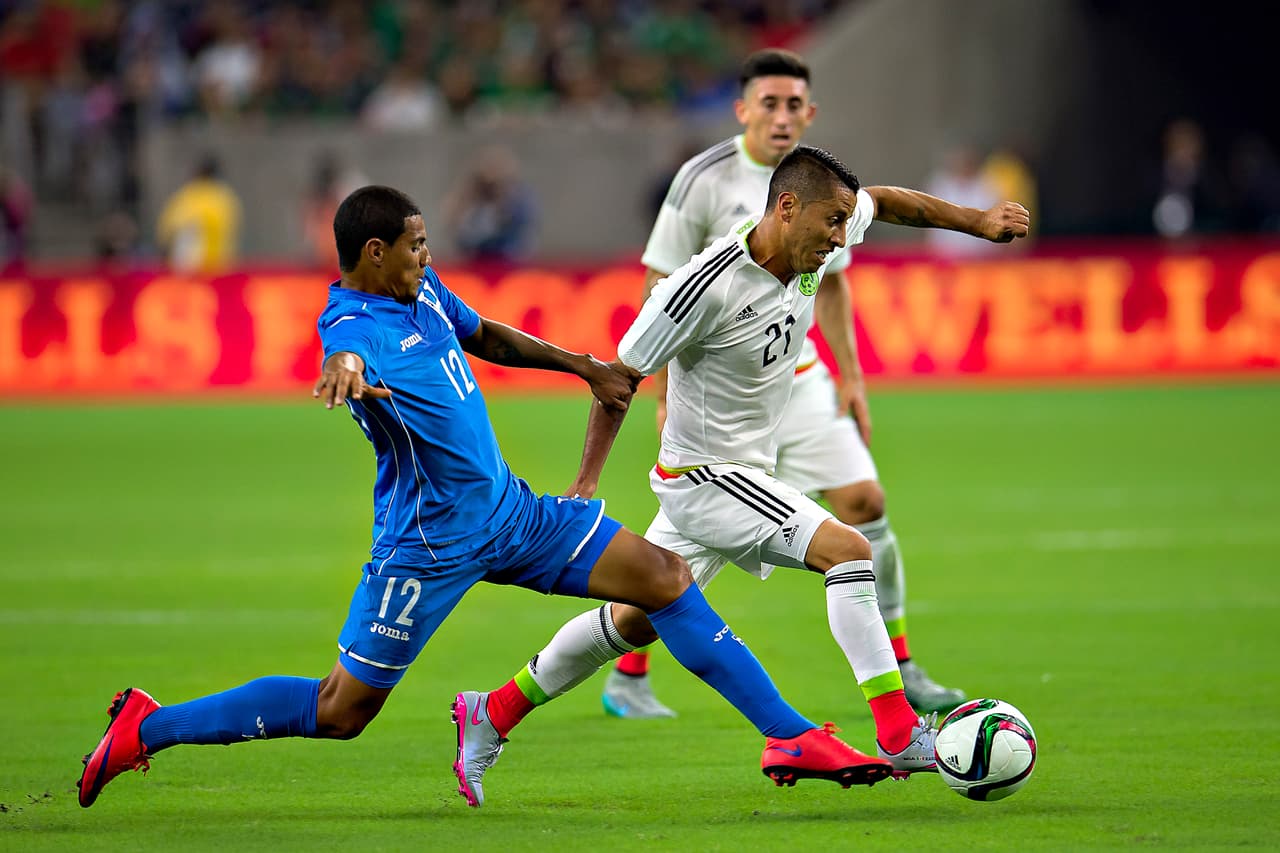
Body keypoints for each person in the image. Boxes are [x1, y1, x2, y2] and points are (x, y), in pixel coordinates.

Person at [76, 184, 896, 811]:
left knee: (665, 578)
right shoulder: (354, 325)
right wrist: (345, 373)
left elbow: (488, 335)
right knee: (341, 710)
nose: (427, 256)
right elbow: (347, 355)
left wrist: (581, 365)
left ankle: (789, 735)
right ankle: (147, 726)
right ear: (373, 253)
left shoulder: (423, 292)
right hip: (426, 547)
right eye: (415, 246)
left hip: (511, 515)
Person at [455, 146, 1029, 804]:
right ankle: (899, 731)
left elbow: (892, 201)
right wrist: (585, 485)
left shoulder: (818, 240)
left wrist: (977, 222)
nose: (840, 238)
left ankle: (492, 710)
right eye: (831, 222)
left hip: (740, 473)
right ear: (786, 208)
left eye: (845, 223)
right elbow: (618, 379)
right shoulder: (703, 286)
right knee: (848, 550)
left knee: (634, 620)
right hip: (704, 476)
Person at [603, 48, 1012, 720]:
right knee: (681, 555)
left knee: (863, 502)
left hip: (799, 380)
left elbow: (839, 276)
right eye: (770, 102)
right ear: (743, 110)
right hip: (724, 394)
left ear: (811, 112)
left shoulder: (828, 191)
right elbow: (661, 287)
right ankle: (627, 670)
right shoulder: (703, 180)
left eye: (795, 104)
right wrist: (666, 391)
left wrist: (851, 375)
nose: (783, 115)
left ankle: (901, 665)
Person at [155, 153, 242, 274]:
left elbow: (168, 229)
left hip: (191, 269)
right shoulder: (225, 197)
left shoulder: (188, 196)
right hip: (219, 266)